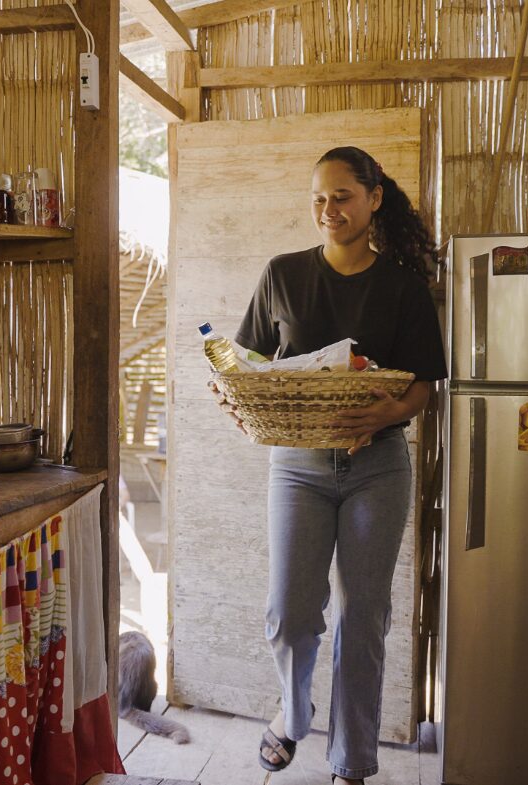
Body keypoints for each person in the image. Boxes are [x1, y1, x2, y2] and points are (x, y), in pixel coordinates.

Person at [212, 146, 448, 784]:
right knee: (290, 610)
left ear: (374, 199)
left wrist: (381, 415)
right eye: (319, 198)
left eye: (342, 196)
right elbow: (248, 366)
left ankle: (352, 762)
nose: (329, 210)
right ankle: (293, 713)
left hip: (379, 467)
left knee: (362, 615)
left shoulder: (402, 285)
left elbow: (424, 386)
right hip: (297, 467)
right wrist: (235, 396)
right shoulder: (283, 274)